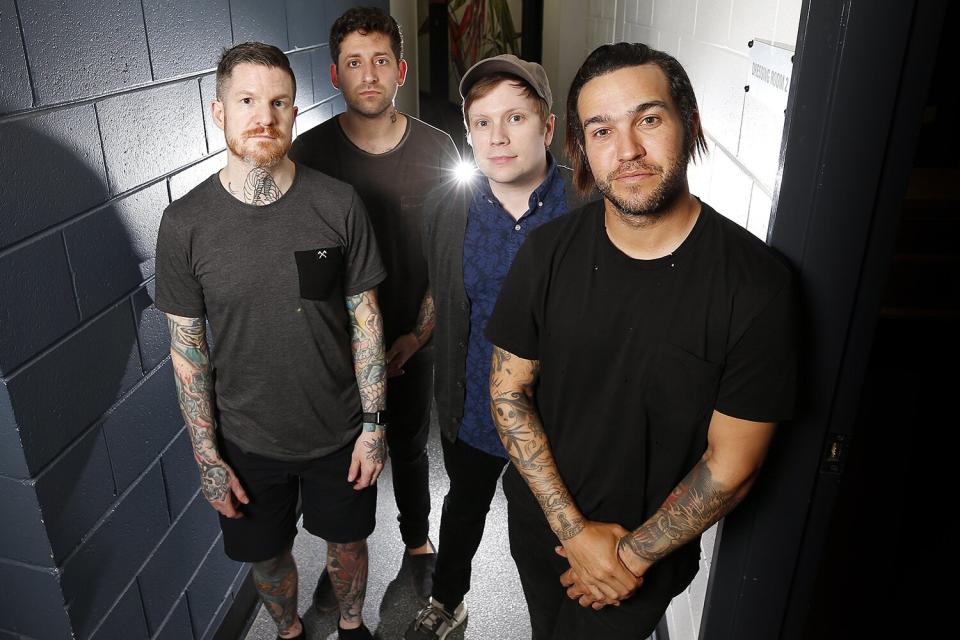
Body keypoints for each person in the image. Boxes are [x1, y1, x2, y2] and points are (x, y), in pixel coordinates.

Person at [485, 42, 799, 639]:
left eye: (648, 120)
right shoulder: (547, 254)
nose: (626, 150)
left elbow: (734, 464)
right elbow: (509, 395)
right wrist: (572, 531)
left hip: (643, 561)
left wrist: (625, 559)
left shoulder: (755, 286)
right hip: (543, 530)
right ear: (580, 147)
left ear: (690, 124)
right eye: (601, 130)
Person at [155, 42, 387, 640]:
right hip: (247, 440)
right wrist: (209, 458)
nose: (265, 115)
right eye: (248, 100)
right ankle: (289, 632)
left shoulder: (336, 203)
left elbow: (365, 320)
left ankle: (354, 625)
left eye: (279, 102)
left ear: (293, 110)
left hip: (337, 428)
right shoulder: (185, 224)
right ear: (218, 111)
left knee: (349, 543)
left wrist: (375, 425)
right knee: (266, 557)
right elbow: (188, 353)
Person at [404, 54, 596, 640]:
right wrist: (416, 334)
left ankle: (559, 624)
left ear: (547, 125)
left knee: (548, 536)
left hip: (561, 420)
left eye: (515, 117)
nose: (498, 136)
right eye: (482, 122)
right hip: (475, 408)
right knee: (463, 509)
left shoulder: (588, 208)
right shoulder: (449, 208)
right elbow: (443, 289)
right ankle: (448, 599)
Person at [289, 7, 459, 606]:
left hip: (414, 338)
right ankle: (341, 555)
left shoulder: (438, 150)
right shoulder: (307, 155)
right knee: (343, 454)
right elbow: (305, 275)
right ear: (334, 75)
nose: (368, 75)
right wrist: (349, 351)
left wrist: (415, 336)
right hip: (337, 349)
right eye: (354, 63)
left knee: (410, 447)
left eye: (380, 61)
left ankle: (418, 546)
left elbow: (448, 260)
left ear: (401, 71)